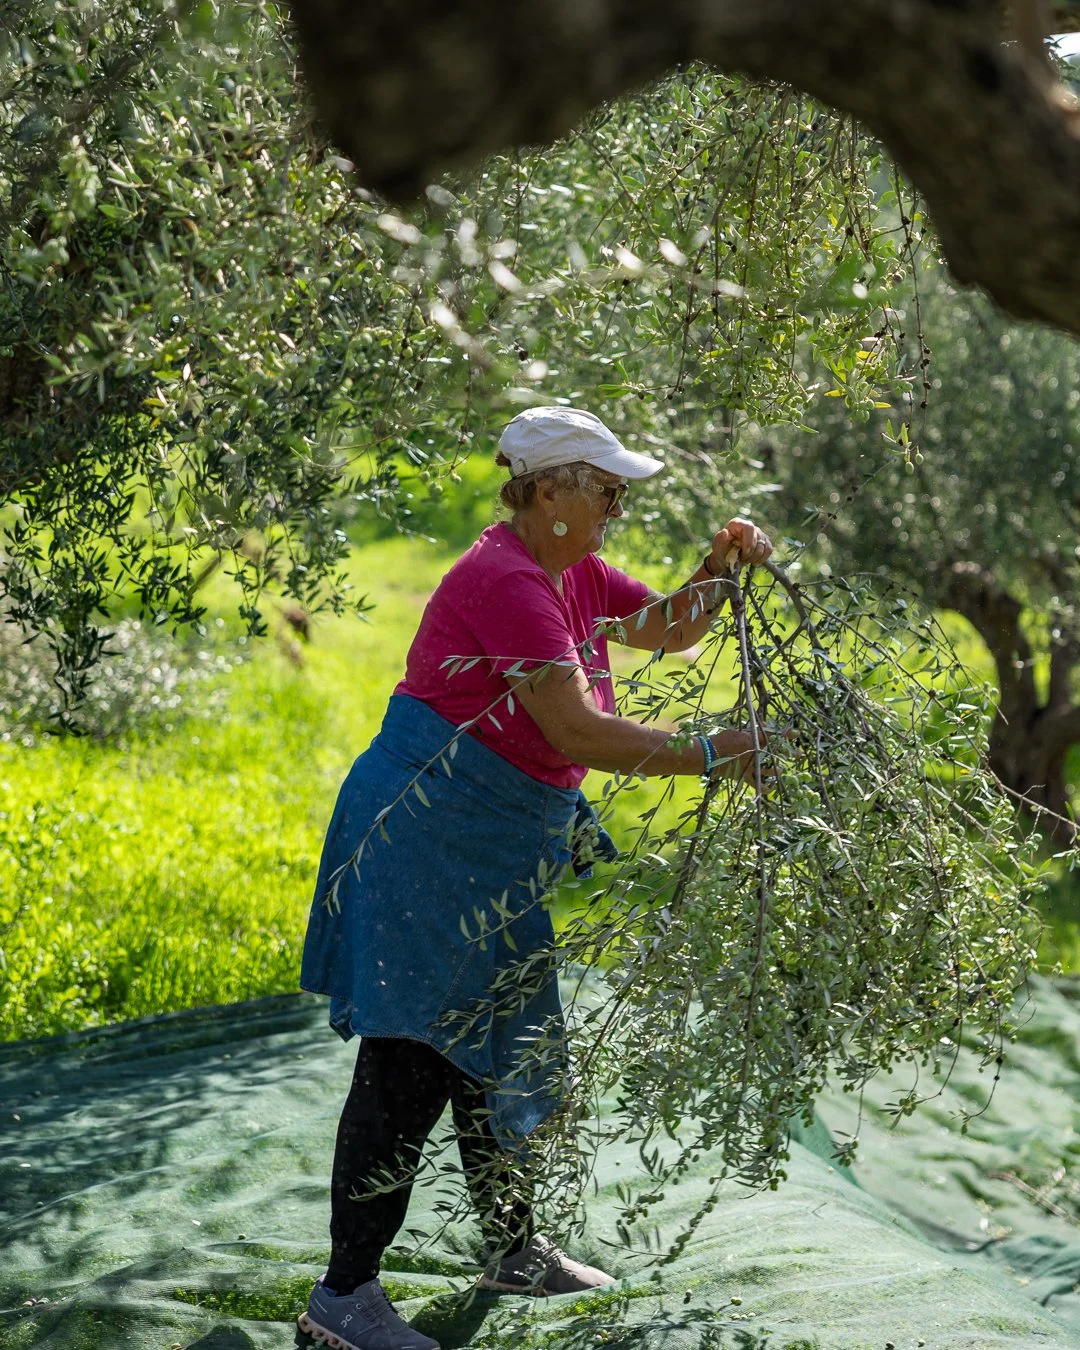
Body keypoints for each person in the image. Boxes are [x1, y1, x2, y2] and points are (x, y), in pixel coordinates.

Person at [298, 406, 773, 1350]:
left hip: (490, 846)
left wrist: (720, 571)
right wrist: (719, 754)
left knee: (497, 1041)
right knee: (411, 1061)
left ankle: (512, 1251)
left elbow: (666, 628)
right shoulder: (505, 581)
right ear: (548, 491)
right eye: (606, 491)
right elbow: (580, 733)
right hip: (427, 838)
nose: (616, 507)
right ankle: (342, 1303)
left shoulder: (570, 569)